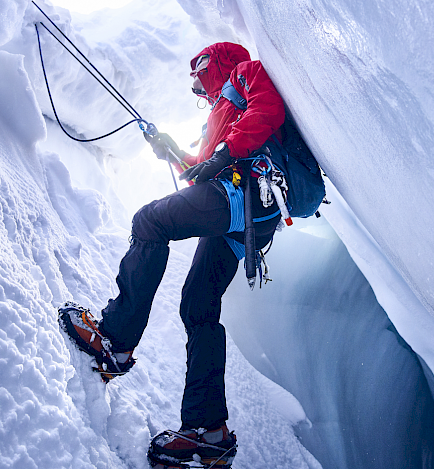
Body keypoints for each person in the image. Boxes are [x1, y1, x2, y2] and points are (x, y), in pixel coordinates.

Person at [58, 42, 288, 468]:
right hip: (247, 216)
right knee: (199, 308)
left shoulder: (245, 74)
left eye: (198, 69)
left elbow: (268, 108)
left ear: (216, 61)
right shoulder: (222, 112)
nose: (194, 82)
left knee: (149, 222)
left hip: (240, 194)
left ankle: (115, 341)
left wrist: (220, 154)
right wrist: (172, 152)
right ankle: (209, 433)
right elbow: (204, 167)